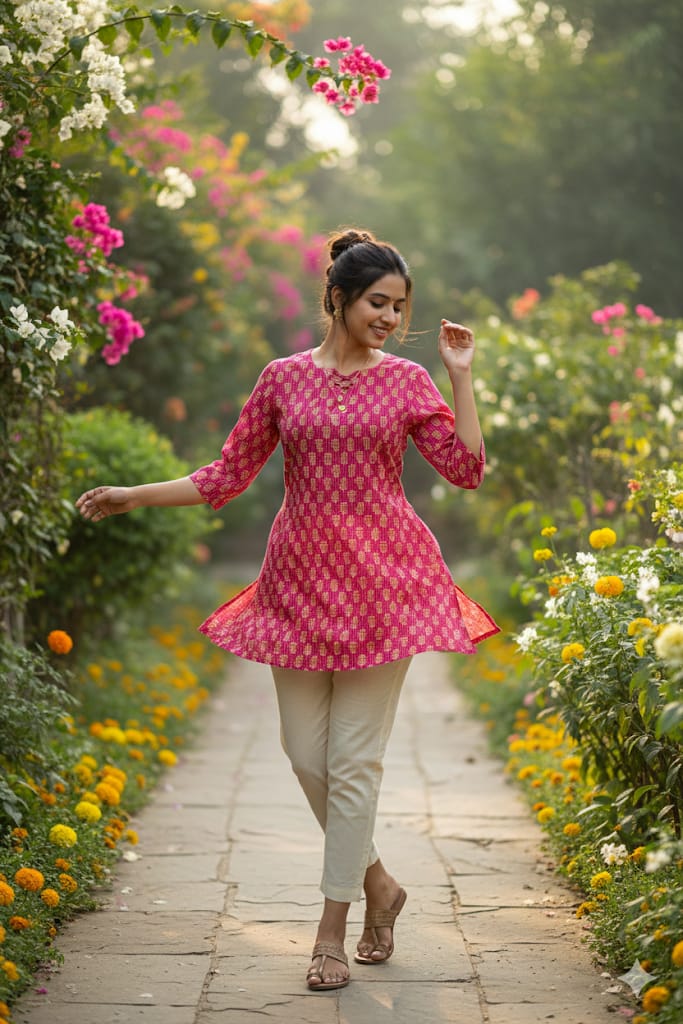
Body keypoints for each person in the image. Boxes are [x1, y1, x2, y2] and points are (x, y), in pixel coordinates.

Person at [76, 228, 499, 992]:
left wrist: (460, 376)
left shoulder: (406, 381)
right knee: (306, 755)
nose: (389, 317)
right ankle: (379, 883)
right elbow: (226, 474)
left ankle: (331, 932)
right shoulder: (281, 379)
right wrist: (135, 495)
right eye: (378, 302)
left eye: (400, 306)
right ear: (337, 297)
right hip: (298, 585)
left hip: (385, 587)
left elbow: (465, 469)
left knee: (352, 764)